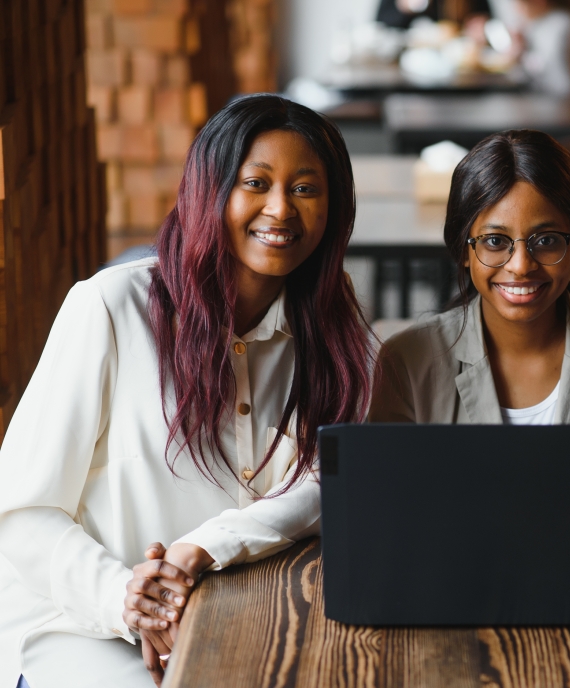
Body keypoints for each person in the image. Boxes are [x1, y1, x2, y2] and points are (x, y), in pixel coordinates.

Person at [0, 94, 374, 687]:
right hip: (79, 624)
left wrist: (202, 547)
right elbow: (20, 510)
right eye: (256, 183)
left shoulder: (333, 328)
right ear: (209, 190)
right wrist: (132, 598)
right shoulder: (110, 308)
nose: (280, 208)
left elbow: (333, 476)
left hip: (243, 618)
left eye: (306, 189)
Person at [369, 129, 570, 530]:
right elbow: (388, 515)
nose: (521, 265)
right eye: (495, 241)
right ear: (464, 251)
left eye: (547, 240)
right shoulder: (408, 362)